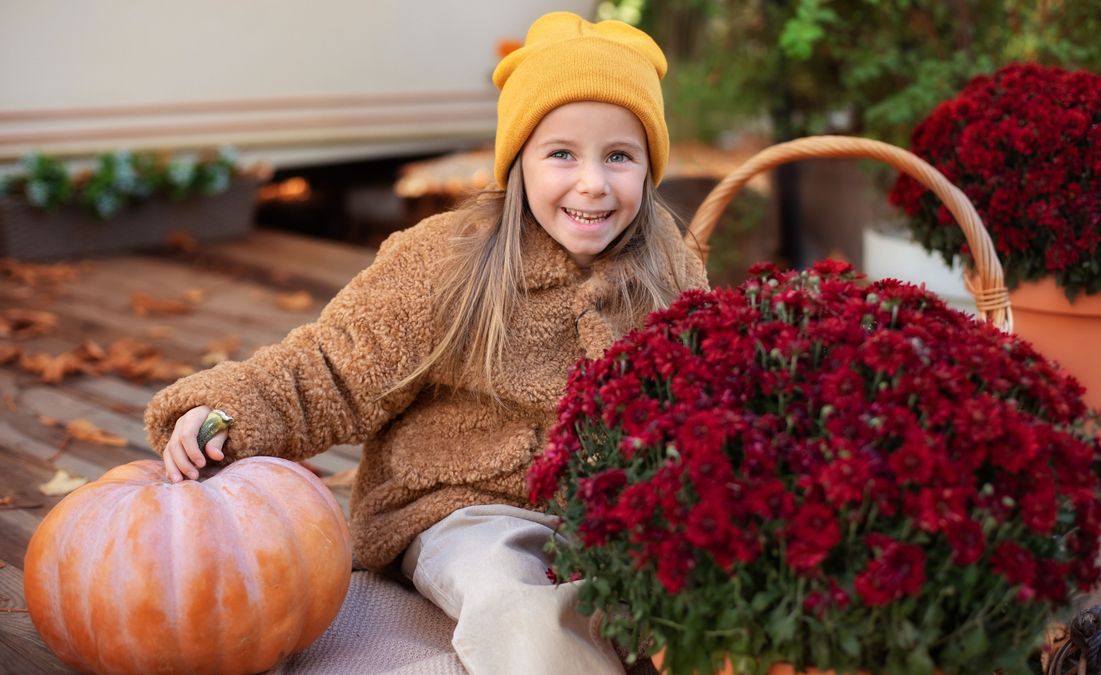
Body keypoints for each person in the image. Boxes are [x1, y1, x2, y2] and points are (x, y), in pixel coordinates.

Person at [143, 11, 708, 675]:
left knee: (685, 595)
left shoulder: (668, 266)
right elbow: (332, 367)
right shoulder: (449, 261)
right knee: (514, 603)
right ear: (518, 160)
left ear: (648, 168)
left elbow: (699, 391)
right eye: (562, 153)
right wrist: (223, 409)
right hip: (466, 510)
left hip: (607, 516)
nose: (592, 182)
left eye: (619, 155)